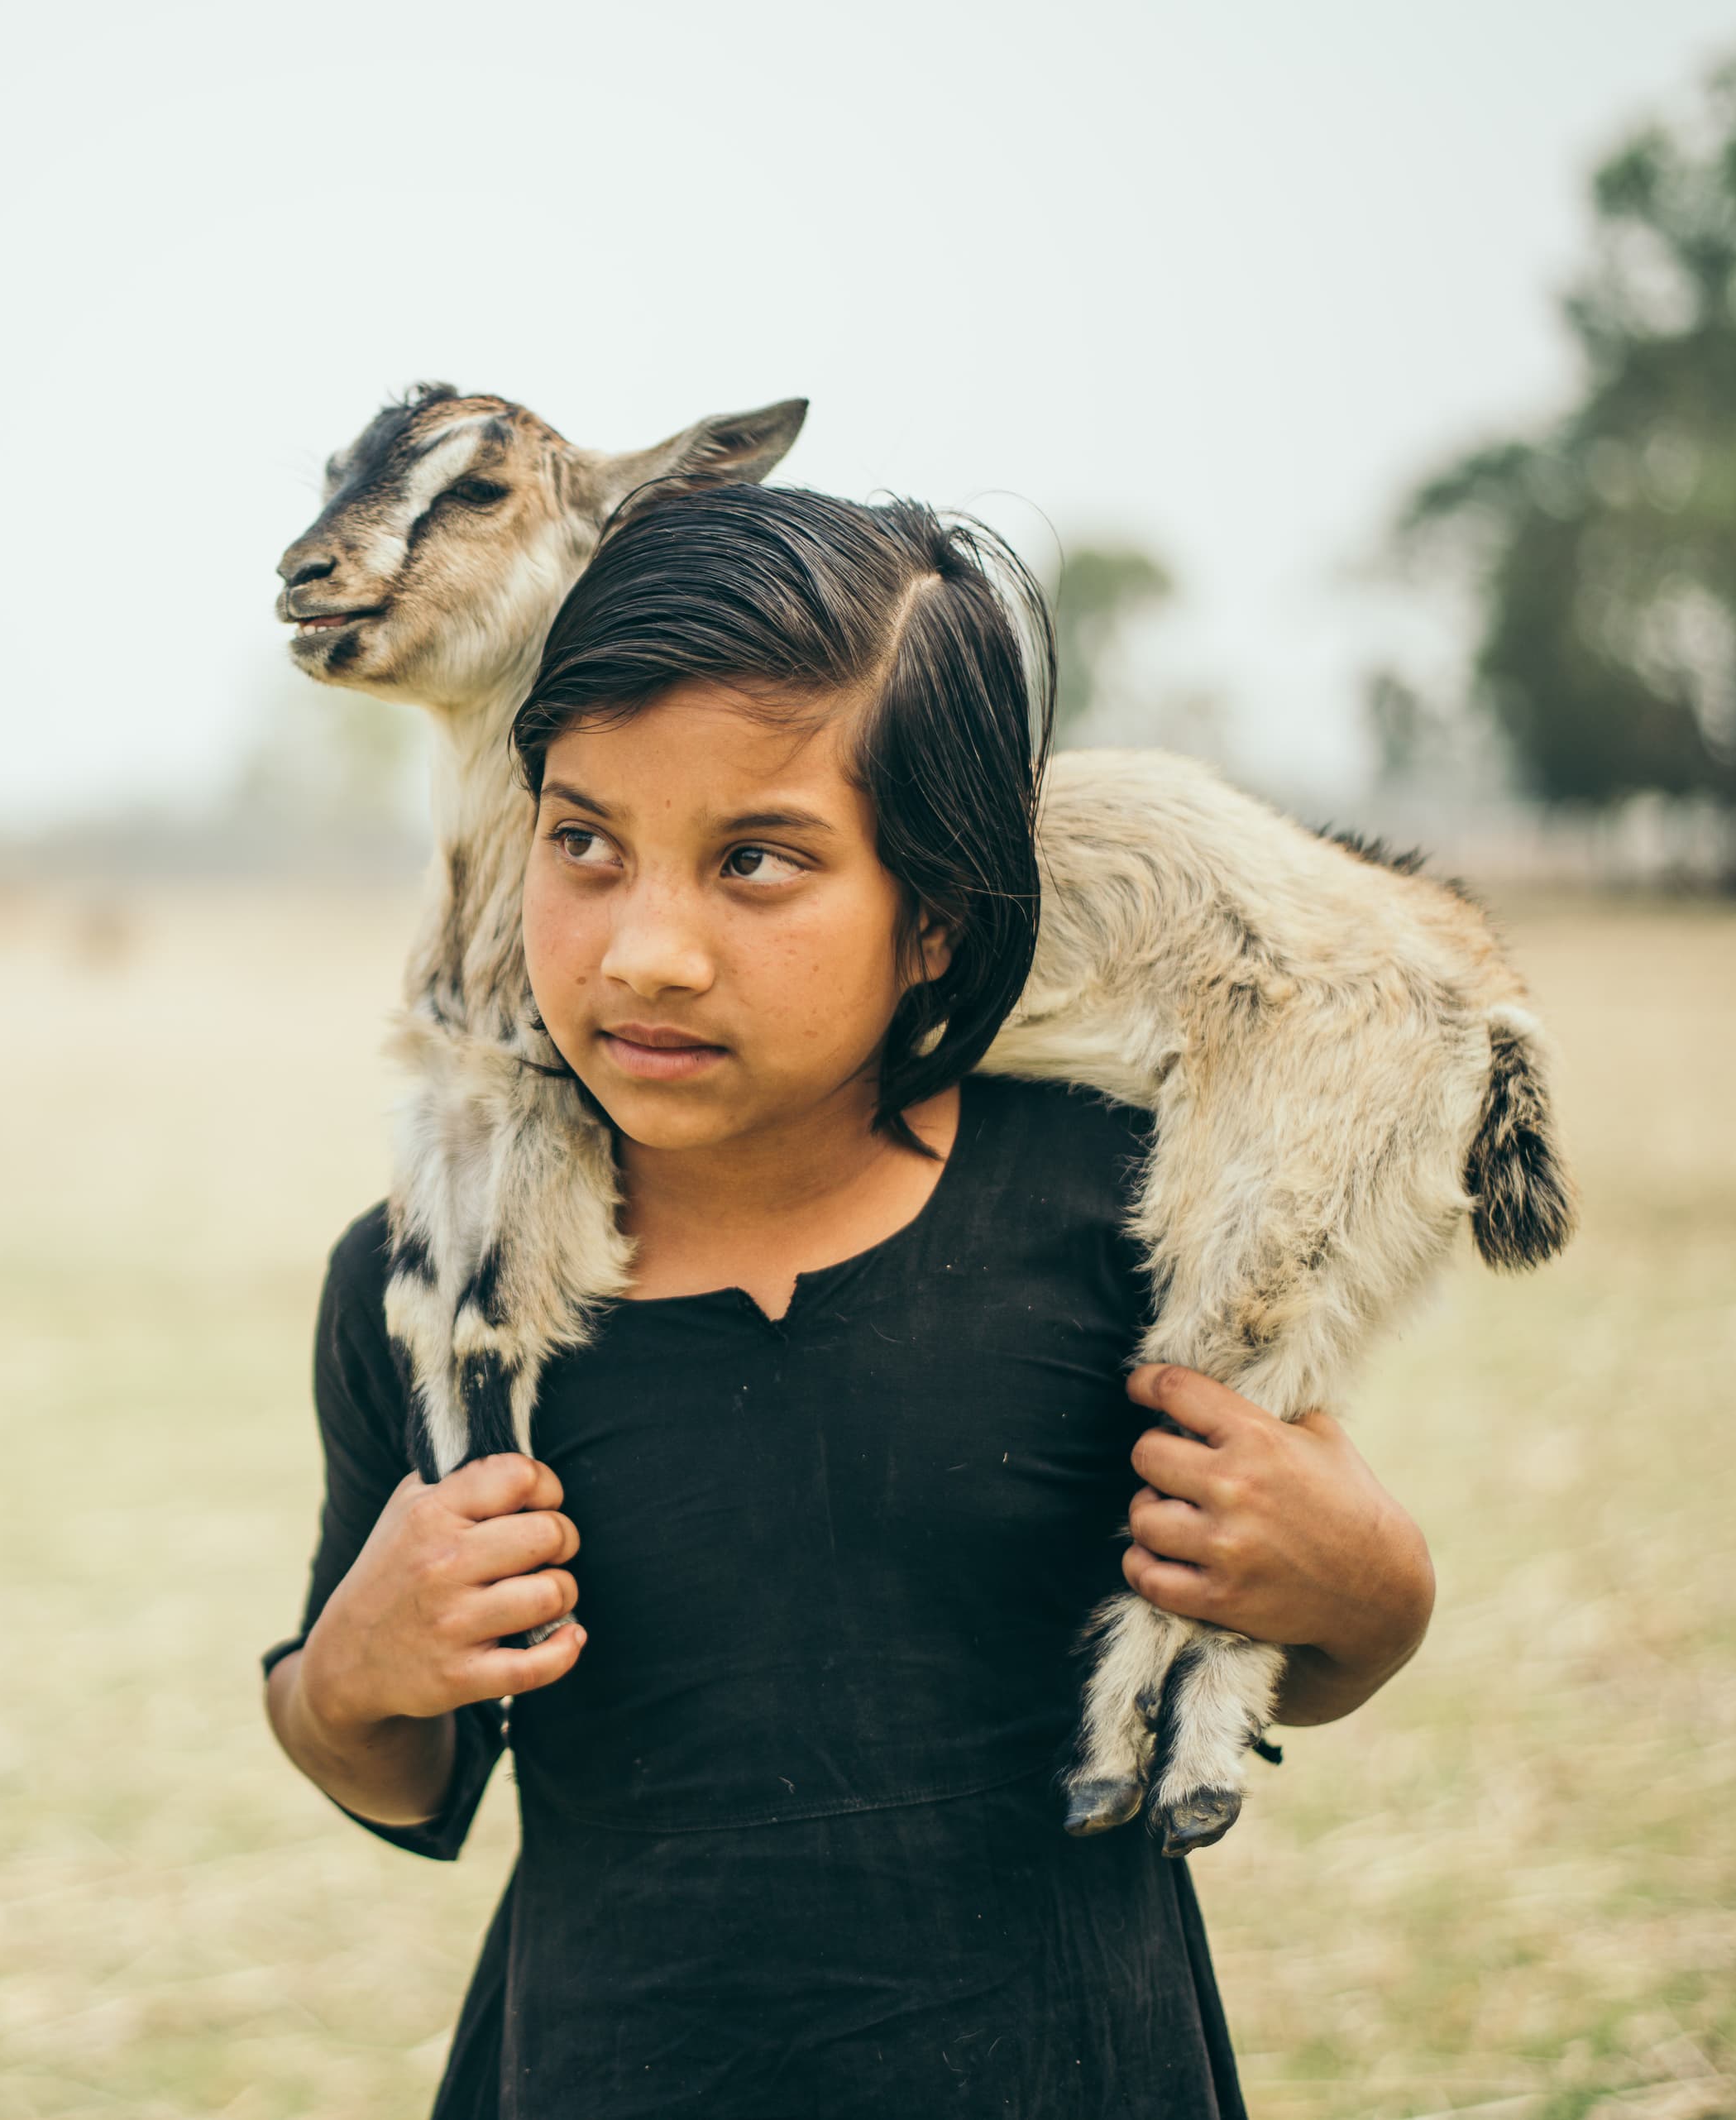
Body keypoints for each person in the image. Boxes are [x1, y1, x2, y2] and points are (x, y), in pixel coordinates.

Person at [258, 485, 1437, 2118]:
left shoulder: (1116, 1227)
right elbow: (394, 1774)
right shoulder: (448, 1291)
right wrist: (345, 1674)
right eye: (584, 841)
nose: (646, 950)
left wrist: (1377, 1588)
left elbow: (1261, 1641)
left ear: (938, 916)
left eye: (756, 860)